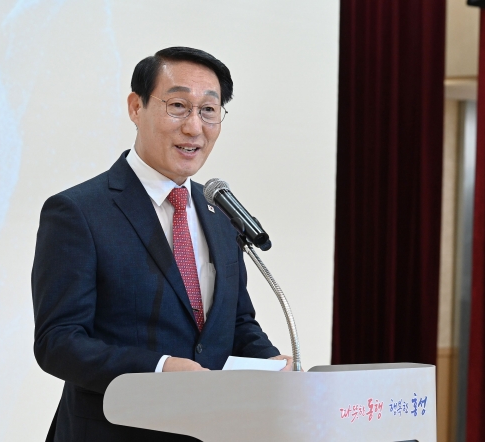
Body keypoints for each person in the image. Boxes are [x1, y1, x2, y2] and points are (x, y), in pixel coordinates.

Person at [32, 47, 292, 442]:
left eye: (209, 110)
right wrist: (159, 367)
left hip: (211, 430)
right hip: (113, 431)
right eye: (178, 106)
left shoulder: (220, 212)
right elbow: (59, 342)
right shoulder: (78, 212)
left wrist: (271, 364)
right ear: (136, 107)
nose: (194, 127)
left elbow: (236, 323)